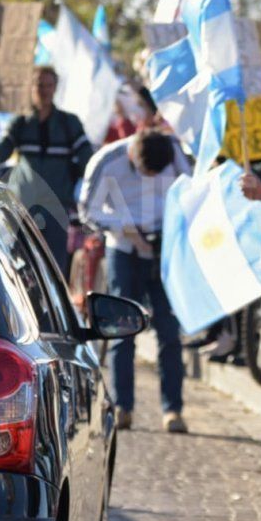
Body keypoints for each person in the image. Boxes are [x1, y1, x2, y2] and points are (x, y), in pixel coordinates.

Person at [78, 128, 191, 433]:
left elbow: (189, 191)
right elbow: (87, 210)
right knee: (121, 330)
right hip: (124, 250)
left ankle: (173, 408)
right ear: (133, 155)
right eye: (145, 172)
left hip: (163, 249)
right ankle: (122, 406)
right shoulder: (107, 160)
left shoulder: (172, 152)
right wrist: (126, 229)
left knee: (169, 330)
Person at [0, 66, 93, 274]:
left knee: (54, 268)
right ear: (31, 87)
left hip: (56, 207)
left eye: (49, 85)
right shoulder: (21, 122)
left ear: (55, 87)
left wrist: (72, 183)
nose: (44, 90)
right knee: (20, 265)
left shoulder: (69, 123)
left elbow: (88, 161)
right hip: (23, 205)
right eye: (39, 85)